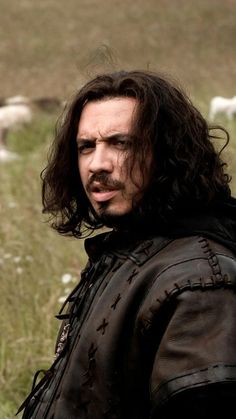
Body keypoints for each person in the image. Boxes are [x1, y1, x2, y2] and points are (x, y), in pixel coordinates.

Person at [18, 70, 236, 418]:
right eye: (86, 146)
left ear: (168, 153)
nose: (97, 164)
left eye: (121, 143)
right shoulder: (130, 252)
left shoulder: (201, 281)